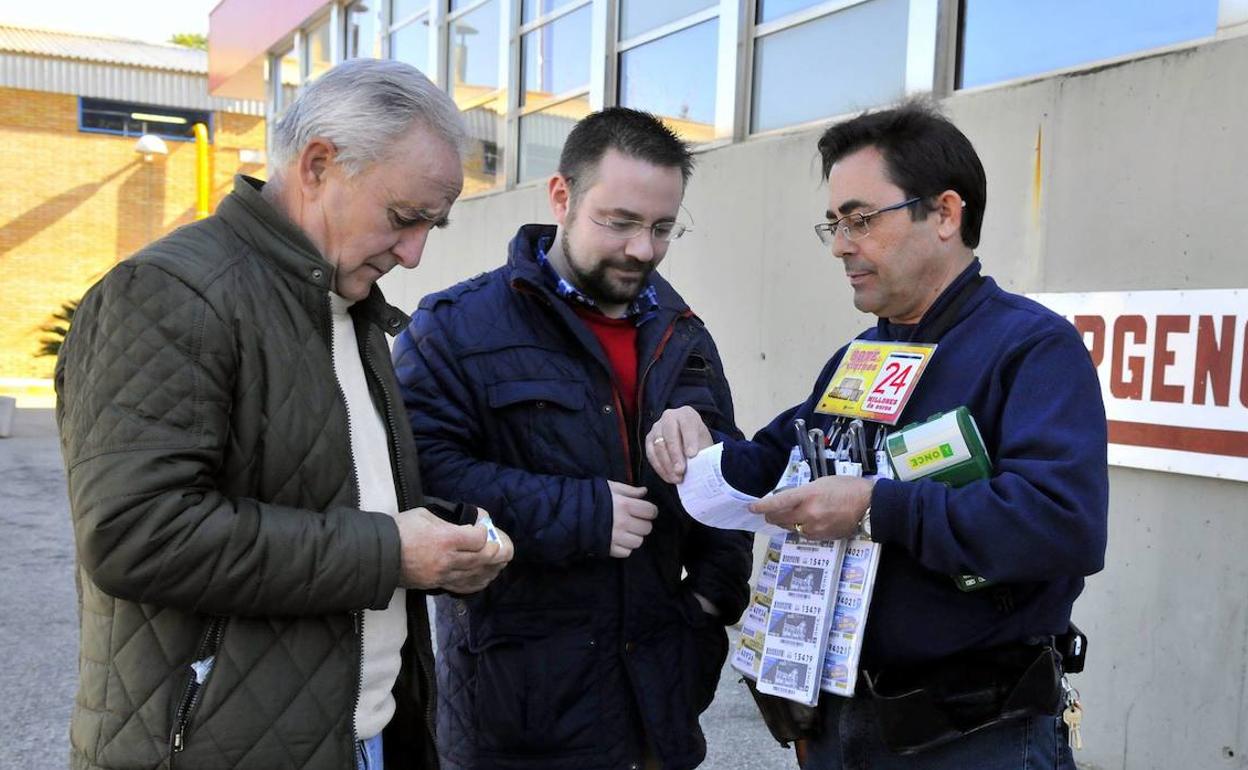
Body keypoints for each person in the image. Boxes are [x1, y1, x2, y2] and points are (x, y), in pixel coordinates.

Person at [55, 58, 512, 770]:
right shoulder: (169, 293)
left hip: (362, 736)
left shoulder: (345, 305)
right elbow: (135, 533)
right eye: (403, 218)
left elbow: (323, 489)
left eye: (433, 225)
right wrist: (391, 551)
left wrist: (443, 534)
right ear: (319, 164)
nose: (416, 254)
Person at [647, 102, 1108, 768]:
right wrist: (691, 436)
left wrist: (874, 508)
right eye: (833, 223)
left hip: (978, 737)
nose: (840, 244)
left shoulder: (1031, 349)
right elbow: (773, 464)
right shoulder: (860, 358)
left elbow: (1063, 523)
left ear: (946, 214)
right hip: (839, 726)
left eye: (860, 219)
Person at [392, 108, 753, 770]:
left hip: (657, 713)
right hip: (519, 723)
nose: (643, 249)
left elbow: (732, 486)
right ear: (561, 197)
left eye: (663, 228)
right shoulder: (452, 330)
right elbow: (419, 481)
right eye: (619, 223)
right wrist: (578, 513)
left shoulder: (683, 334)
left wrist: (706, 607)